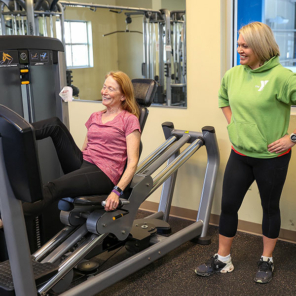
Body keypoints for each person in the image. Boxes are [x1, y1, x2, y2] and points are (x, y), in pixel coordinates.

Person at [195, 22, 296, 284]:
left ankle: (266, 259)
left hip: (271, 158)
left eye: (244, 45)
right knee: (228, 205)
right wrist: (234, 124)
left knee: (269, 208)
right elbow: (224, 99)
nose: (239, 49)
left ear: (260, 46)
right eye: (238, 44)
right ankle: (223, 259)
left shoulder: (283, 77)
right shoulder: (233, 74)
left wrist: (292, 138)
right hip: (240, 154)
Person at [22, 70, 141, 215]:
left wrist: (116, 191)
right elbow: (85, 148)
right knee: (54, 124)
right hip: (85, 164)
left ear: (123, 96)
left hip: (104, 174)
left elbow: (132, 163)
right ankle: (17, 134)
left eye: (111, 89)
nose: (104, 92)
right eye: (104, 87)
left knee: (53, 187)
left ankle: (6, 221)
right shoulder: (96, 116)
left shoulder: (129, 120)